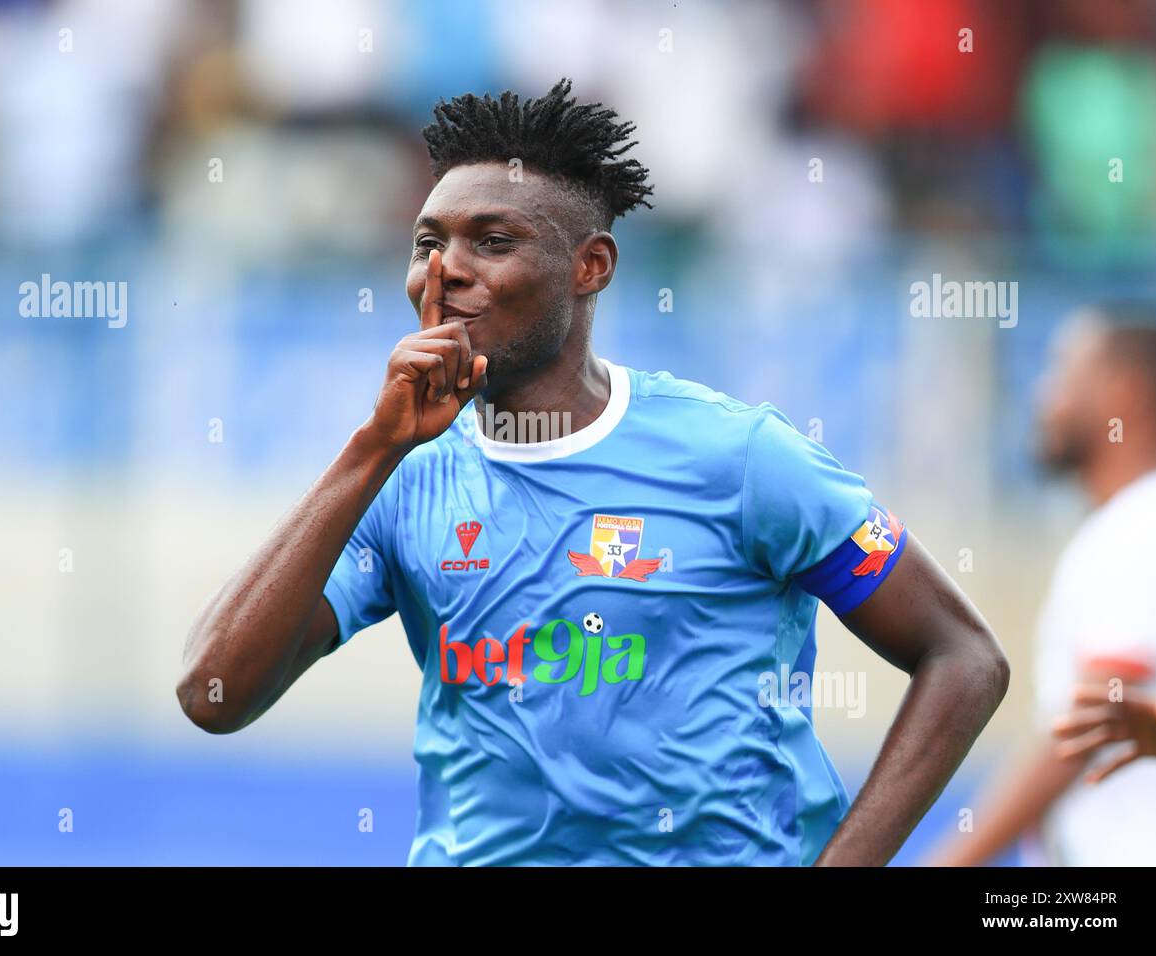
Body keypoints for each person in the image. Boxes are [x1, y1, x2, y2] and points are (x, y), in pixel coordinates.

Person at [177, 79, 1007, 866]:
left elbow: (963, 657)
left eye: (492, 242)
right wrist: (371, 450)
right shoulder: (399, 477)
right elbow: (212, 696)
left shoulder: (741, 458)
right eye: (428, 243)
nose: (447, 269)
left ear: (591, 267)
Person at [928, 305, 1156, 866]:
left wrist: (948, 861)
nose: (1042, 394)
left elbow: (1087, 723)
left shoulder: (1144, 522)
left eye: (1061, 372)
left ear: (1123, 393)